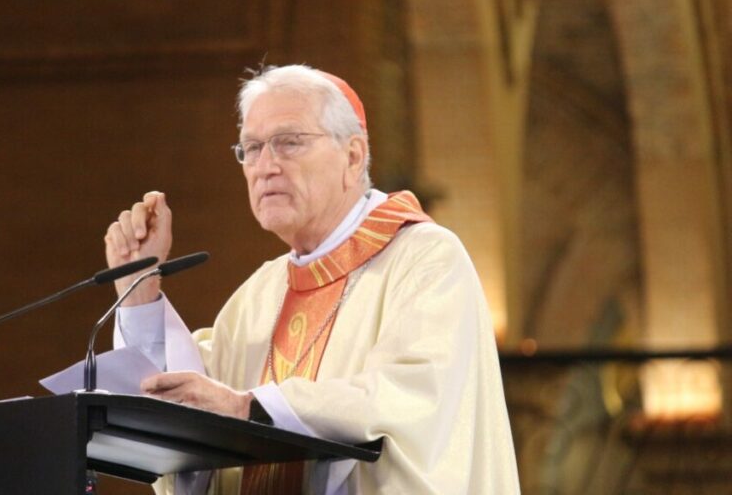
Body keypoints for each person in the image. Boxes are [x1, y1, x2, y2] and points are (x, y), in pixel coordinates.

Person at [103, 64, 520, 494]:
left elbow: (410, 396)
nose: (265, 166)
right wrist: (139, 289)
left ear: (353, 156)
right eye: (252, 148)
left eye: (289, 142)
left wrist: (251, 408)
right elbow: (185, 407)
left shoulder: (424, 259)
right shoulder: (259, 295)